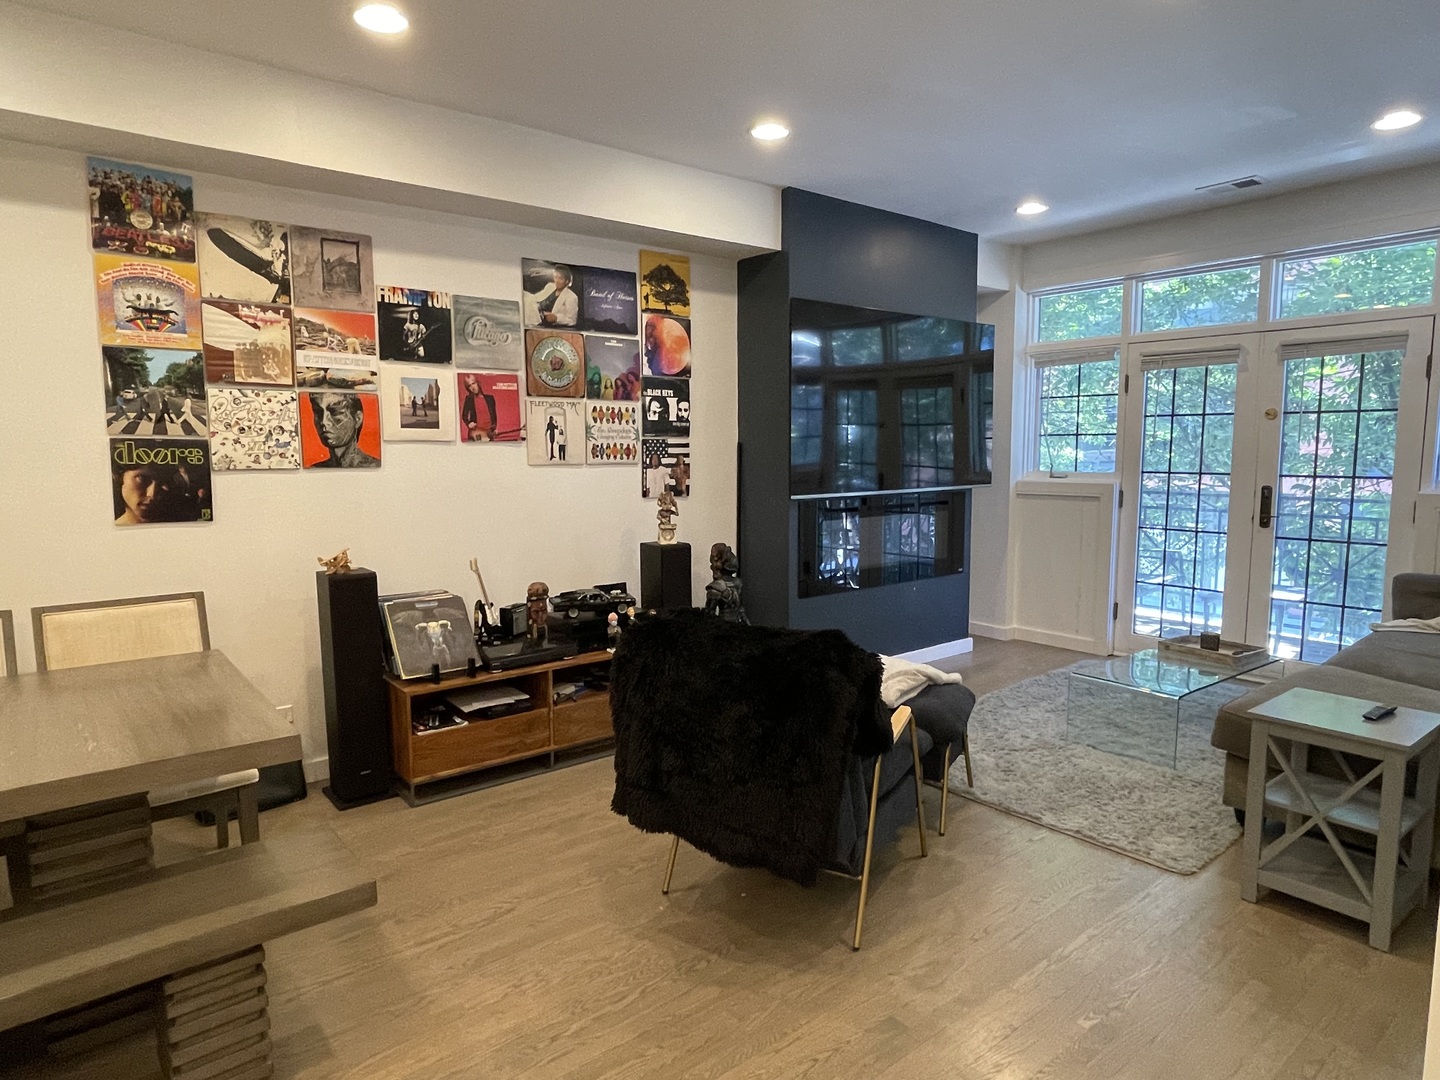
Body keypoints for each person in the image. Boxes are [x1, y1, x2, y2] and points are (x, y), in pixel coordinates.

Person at [309, 391, 379, 468]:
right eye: (318, 412)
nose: (324, 422)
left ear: (358, 418)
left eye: (335, 412)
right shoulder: (315, 469)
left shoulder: (373, 466)